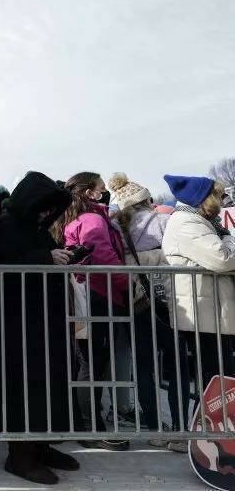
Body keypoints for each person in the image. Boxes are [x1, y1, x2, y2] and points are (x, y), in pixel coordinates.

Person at [0, 172, 79, 485]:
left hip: (43, 318)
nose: (46, 213)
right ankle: (21, 455)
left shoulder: (35, 227)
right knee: (25, 384)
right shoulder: (6, 225)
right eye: (43, 206)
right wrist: (44, 257)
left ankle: (41, 445)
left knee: (48, 381)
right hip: (19, 321)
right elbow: (1, 263)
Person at [109, 173, 190, 451]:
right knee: (177, 364)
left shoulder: (116, 228)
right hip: (171, 300)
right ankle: (180, 429)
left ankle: (155, 428)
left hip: (137, 300)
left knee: (144, 365)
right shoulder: (165, 221)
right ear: (146, 200)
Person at [53, 172, 130, 451]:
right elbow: (103, 257)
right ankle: (90, 425)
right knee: (92, 362)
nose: (104, 192)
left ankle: (87, 421)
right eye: (100, 188)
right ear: (88, 192)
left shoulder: (73, 217)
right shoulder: (92, 219)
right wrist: (126, 281)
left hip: (85, 294)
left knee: (86, 360)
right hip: (98, 294)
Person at [162, 175, 235, 386]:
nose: (222, 200)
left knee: (217, 381)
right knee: (215, 381)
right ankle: (210, 420)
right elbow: (223, 259)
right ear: (205, 198)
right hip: (203, 312)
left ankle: (214, 419)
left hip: (209, 310)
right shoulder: (188, 222)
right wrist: (229, 238)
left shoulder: (196, 220)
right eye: (218, 195)